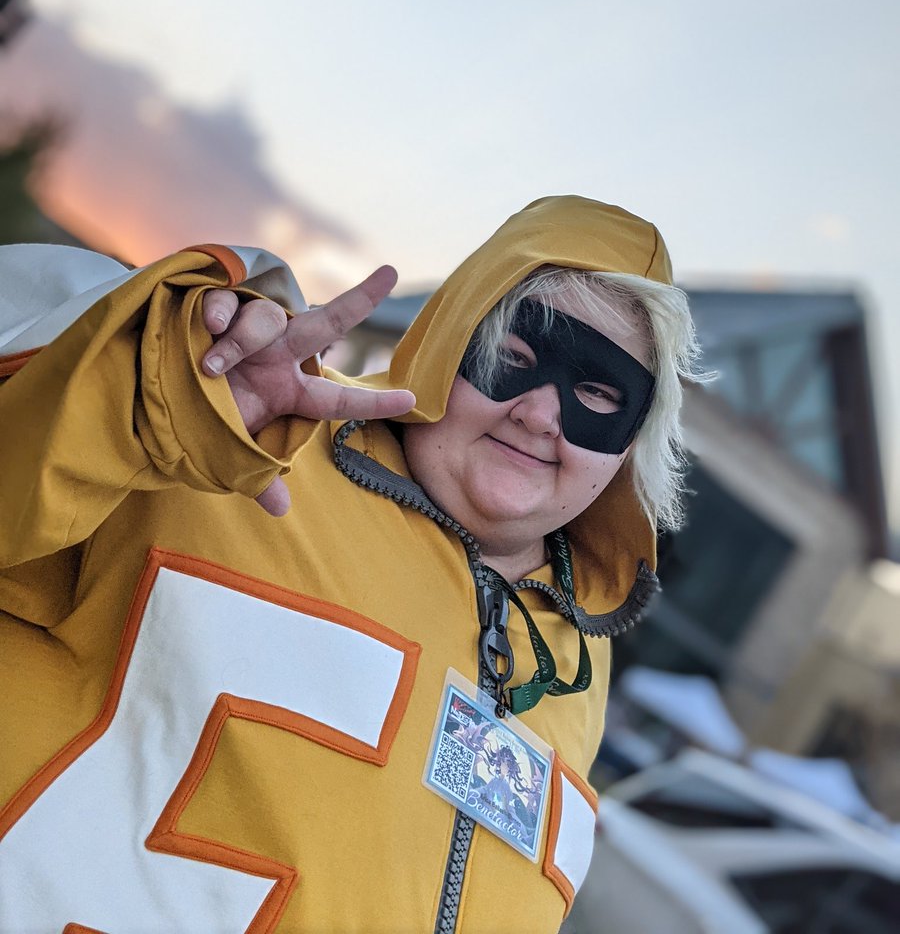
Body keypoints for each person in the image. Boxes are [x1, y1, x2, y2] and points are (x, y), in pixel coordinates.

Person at [0, 195, 701, 933]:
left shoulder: (577, 656)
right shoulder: (235, 449)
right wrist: (150, 402)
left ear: (631, 443)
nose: (539, 414)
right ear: (446, 341)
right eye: (512, 359)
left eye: (596, 392)